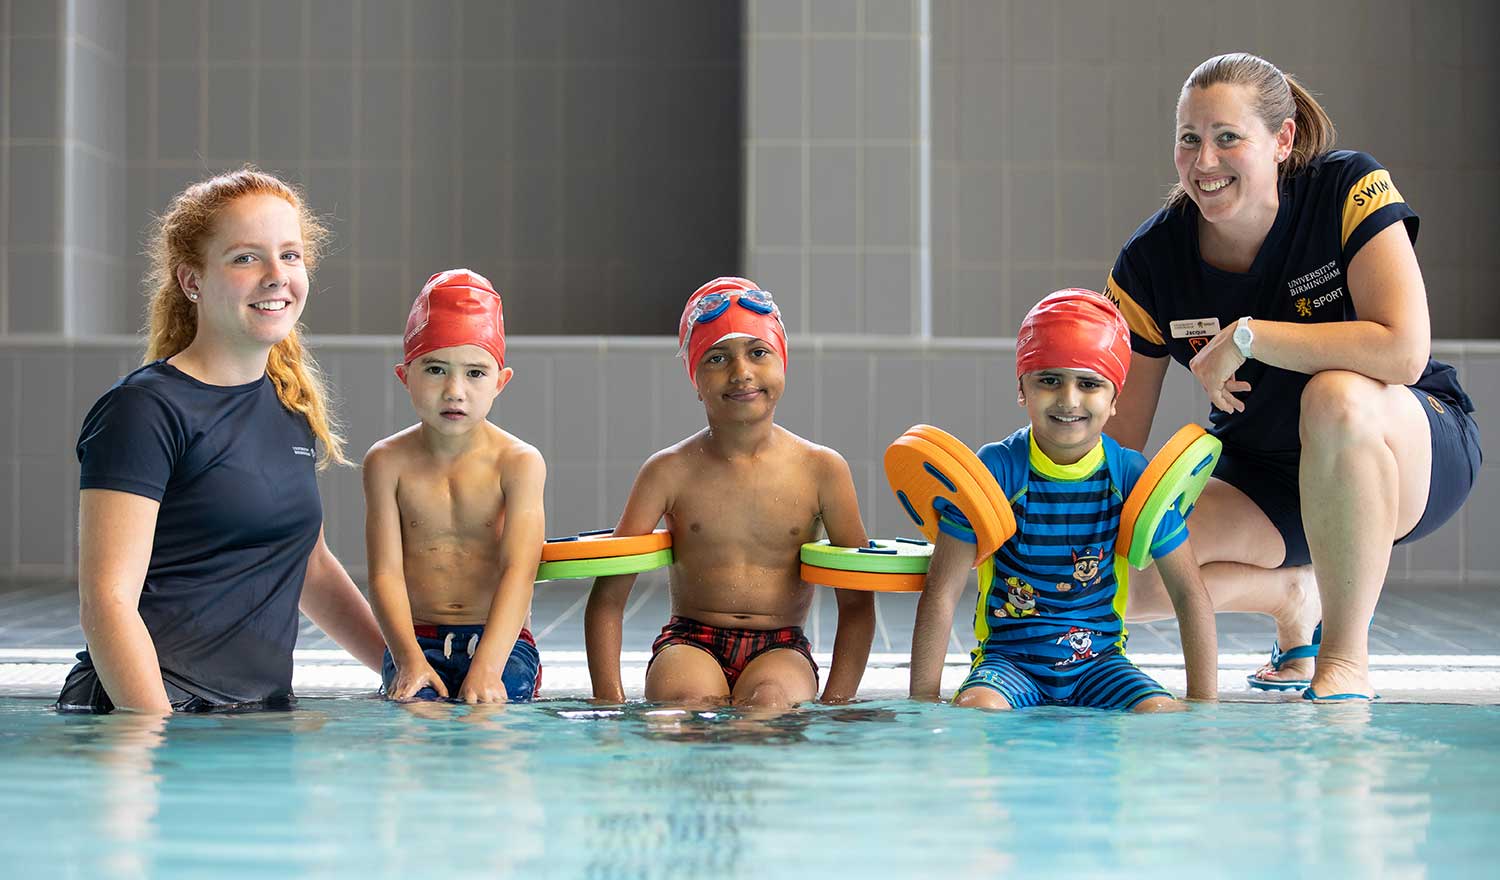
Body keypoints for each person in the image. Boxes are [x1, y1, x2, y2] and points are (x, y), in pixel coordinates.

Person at [1103, 53, 1481, 700]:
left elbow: (1404, 352)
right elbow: (1115, 450)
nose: (1205, 161)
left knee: (1332, 396)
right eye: (1189, 139)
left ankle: (1343, 658)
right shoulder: (1150, 262)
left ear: (1281, 141)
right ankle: (1290, 596)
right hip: (1268, 475)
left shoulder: (1346, 188)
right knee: (1116, 576)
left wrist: (1250, 335)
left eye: (1228, 138)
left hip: (1404, 443)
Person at [59, 167, 387, 713]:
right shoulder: (145, 410)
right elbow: (108, 602)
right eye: (245, 257)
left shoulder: (289, 408)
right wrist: (156, 737)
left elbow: (311, 567)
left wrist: (404, 669)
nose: (276, 275)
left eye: (290, 254)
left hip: (246, 715)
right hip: (150, 705)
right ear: (192, 281)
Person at [908, 289, 1218, 712]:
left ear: (1115, 399)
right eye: (1048, 380)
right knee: (975, 710)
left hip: (1101, 665)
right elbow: (942, 591)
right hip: (1008, 664)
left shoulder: (1130, 476)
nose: (1069, 399)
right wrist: (922, 704)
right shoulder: (996, 471)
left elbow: (1189, 593)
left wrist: (1204, 706)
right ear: (1022, 388)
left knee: (1163, 714)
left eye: (1089, 383)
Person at [584, 277, 875, 708]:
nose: (741, 372)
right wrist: (608, 703)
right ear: (695, 380)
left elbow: (856, 601)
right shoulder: (667, 472)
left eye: (759, 352)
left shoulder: (822, 470)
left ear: (783, 363)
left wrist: (838, 704)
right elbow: (608, 599)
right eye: (716, 358)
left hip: (781, 646)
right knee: (682, 705)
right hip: (689, 641)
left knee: (770, 705)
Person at [363, 269, 545, 704]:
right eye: (436, 369)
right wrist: (407, 659)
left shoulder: (518, 463)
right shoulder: (386, 462)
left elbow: (520, 570)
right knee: (417, 727)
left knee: (489, 721)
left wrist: (487, 667)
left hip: (503, 645)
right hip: (417, 641)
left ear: (501, 382)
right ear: (405, 375)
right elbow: (384, 573)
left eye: (476, 373)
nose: (455, 391)